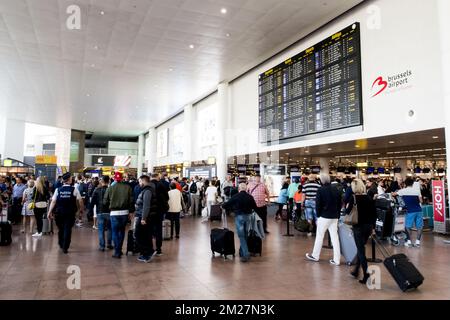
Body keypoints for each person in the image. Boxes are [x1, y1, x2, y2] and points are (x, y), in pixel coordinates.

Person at [345, 179, 377, 285]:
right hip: (368, 227)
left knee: (361, 251)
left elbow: (347, 211)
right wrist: (373, 227)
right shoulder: (368, 197)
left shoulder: (353, 198)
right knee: (361, 248)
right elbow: (374, 214)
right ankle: (356, 271)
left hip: (358, 227)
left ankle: (366, 274)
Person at [306, 173, 342, 266]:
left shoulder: (321, 190)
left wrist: (318, 216)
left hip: (324, 216)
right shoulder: (336, 189)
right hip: (334, 217)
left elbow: (318, 204)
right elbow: (340, 203)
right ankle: (337, 260)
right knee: (335, 238)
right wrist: (337, 215)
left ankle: (315, 255)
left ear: (321, 180)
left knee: (320, 236)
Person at [48, 172, 84, 254]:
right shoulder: (74, 189)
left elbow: (53, 201)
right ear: (69, 180)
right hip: (70, 213)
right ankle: (65, 247)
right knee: (67, 229)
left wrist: (49, 212)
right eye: (71, 178)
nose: (72, 179)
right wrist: (81, 210)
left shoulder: (58, 190)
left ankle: (61, 243)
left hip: (59, 213)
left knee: (61, 229)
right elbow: (80, 200)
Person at [222, 183, 258, 262]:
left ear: (239, 189)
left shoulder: (236, 196)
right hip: (248, 217)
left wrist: (223, 205)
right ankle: (242, 251)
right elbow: (255, 207)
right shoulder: (250, 197)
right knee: (245, 234)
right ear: (246, 189)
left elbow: (227, 204)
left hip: (239, 217)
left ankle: (246, 254)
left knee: (241, 236)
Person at [103, 172, 135, 258]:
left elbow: (105, 202)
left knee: (115, 232)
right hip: (125, 212)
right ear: (122, 178)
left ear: (114, 178)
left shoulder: (110, 188)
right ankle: (119, 249)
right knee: (121, 231)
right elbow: (131, 201)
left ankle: (117, 251)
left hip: (114, 213)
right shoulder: (128, 188)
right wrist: (131, 211)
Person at [134, 175, 158, 262]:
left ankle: (148, 252)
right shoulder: (149, 189)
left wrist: (143, 218)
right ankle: (147, 253)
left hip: (144, 217)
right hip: (147, 216)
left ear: (144, 181)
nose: (139, 183)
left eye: (140, 181)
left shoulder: (147, 191)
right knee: (146, 236)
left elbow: (146, 206)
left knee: (139, 235)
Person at [395, 177, 423, 248]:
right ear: (413, 184)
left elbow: (393, 194)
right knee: (419, 226)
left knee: (407, 226)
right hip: (419, 210)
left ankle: (409, 242)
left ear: (405, 183)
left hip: (410, 211)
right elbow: (421, 201)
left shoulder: (403, 191)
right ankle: (417, 242)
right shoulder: (417, 191)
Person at [90, 176, 113, 251]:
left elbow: (92, 201)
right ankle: (109, 244)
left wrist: (90, 210)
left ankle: (102, 246)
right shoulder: (111, 190)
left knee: (101, 230)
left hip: (100, 212)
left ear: (101, 181)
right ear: (108, 181)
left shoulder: (97, 190)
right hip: (109, 212)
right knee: (110, 229)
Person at [150, 173, 169, 256]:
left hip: (150, 211)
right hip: (159, 210)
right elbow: (167, 197)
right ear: (157, 177)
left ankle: (150, 249)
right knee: (158, 229)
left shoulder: (148, 185)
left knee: (148, 230)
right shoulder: (161, 185)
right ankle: (158, 249)